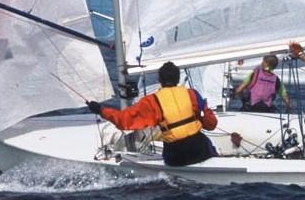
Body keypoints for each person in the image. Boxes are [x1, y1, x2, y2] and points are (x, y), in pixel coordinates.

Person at [87, 61, 218, 166]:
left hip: (176, 157)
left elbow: (124, 120)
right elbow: (211, 124)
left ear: (159, 79)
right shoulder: (192, 94)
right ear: (178, 78)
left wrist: (100, 110)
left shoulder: (153, 101)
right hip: (200, 151)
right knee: (206, 142)